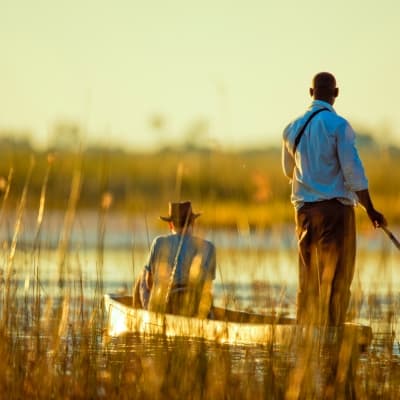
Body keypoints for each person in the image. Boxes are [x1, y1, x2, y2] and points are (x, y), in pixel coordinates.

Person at [282, 72, 386, 326]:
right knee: (338, 276)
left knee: (309, 276)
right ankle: (332, 331)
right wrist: (371, 210)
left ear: (311, 93)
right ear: (336, 94)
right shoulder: (339, 126)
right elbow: (353, 173)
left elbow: (288, 172)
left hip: (304, 214)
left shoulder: (291, 128)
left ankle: (308, 332)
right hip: (336, 213)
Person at [138, 201, 216, 318]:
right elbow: (207, 287)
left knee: (144, 275)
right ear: (193, 222)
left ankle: (148, 315)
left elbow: (149, 283)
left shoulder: (159, 242)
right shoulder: (209, 247)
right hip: (195, 307)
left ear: (170, 225)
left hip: (167, 306)